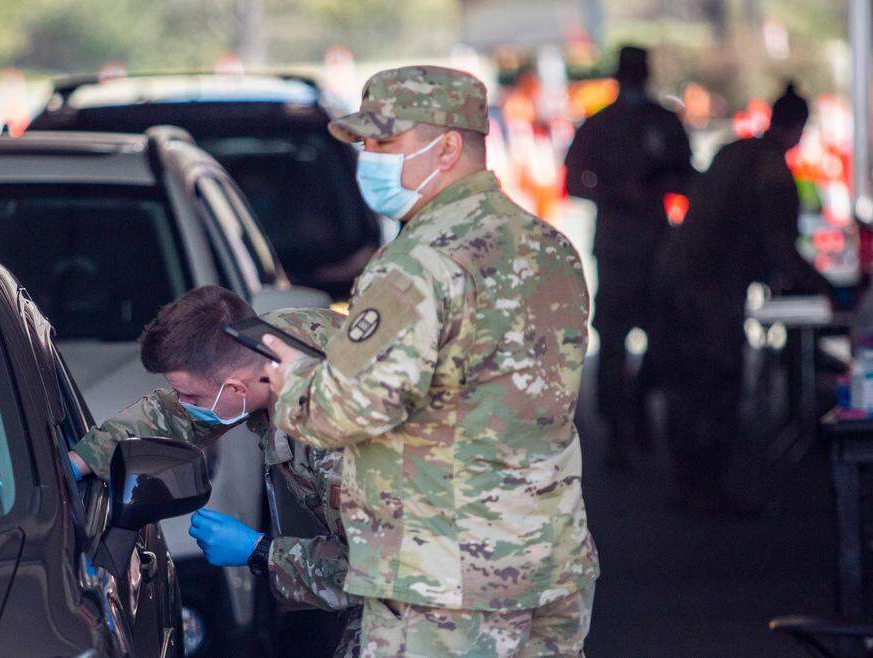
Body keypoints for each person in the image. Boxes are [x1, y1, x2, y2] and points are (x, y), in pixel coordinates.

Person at [261, 65, 598, 657]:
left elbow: (346, 411)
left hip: (445, 582)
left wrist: (291, 379)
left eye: (385, 141)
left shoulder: (415, 265)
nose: (369, 156)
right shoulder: (550, 248)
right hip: (550, 560)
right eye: (365, 142)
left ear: (446, 148)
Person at [67, 285, 362, 657]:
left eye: (192, 397)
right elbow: (172, 416)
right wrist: (79, 461)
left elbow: (380, 571)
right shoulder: (262, 342)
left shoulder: (336, 437)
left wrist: (260, 552)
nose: (185, 405)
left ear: (236, 388)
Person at [654, 82, 833, 508]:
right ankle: (708, 487)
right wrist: (825, 288)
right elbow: (780, 248)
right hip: (709, 285)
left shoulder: (734, 151)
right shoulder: (770, 168)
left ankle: (689, 482)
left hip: (678, 272)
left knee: (689, 380)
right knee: (717, 380)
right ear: (799, 128)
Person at [564, 45, 694, 467]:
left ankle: (640, 412)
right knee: (615, 343)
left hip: (657, 246)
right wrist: (617, 192)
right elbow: (573, 182)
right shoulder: (598, 125)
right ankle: (618, 430)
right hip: (618, 247)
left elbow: (687, 174)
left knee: (664, 340)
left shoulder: (663, 121)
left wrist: (656, 187)